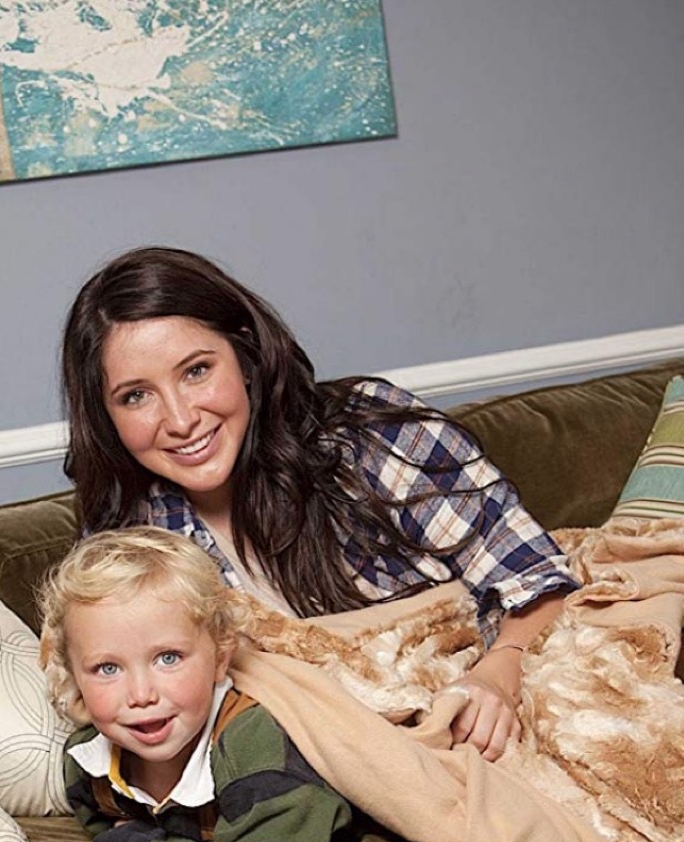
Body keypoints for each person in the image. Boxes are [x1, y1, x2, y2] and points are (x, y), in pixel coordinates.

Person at [61, 247, 579, 763]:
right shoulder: (127, 541)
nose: (179, 419)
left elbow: (537, 578)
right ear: (105, 417)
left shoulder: (376, 439)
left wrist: (498, 671)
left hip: (480, 718)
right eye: (136, 396)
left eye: (196, 371)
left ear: (246, 358)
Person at [38, 526, 352, 842]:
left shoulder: (253, 750)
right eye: (107, 668)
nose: (141, 695)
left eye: (168, 658)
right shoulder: (86, 765)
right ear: (74, 678)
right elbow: (102, 827)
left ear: (220, 658)